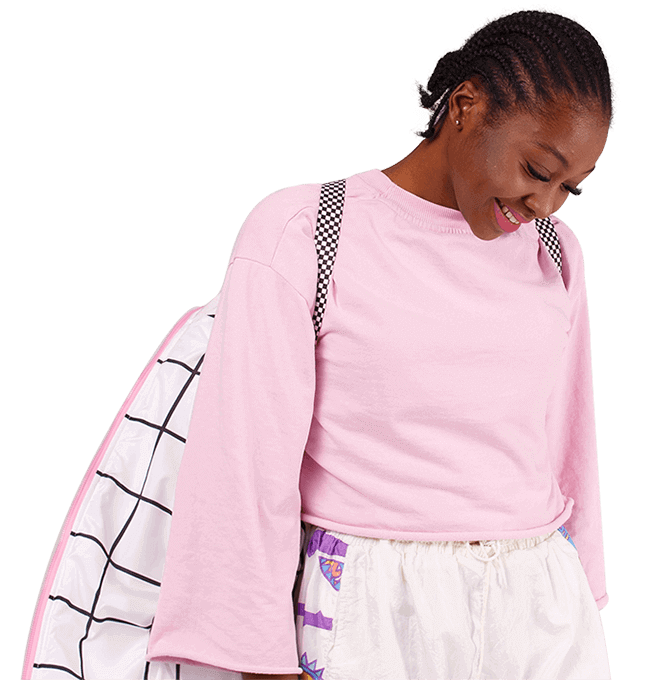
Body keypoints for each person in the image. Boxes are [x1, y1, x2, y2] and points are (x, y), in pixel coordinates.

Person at [146, 6, 617, 680]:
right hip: (369, 609)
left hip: (539, 605)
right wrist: (259, 661)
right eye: (537, 170)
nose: (545, 204)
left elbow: (570, 442)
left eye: (571, 188)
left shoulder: (555, 251)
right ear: (467, 106)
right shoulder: (308, 231)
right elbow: (242, 468)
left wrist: (583, 587)